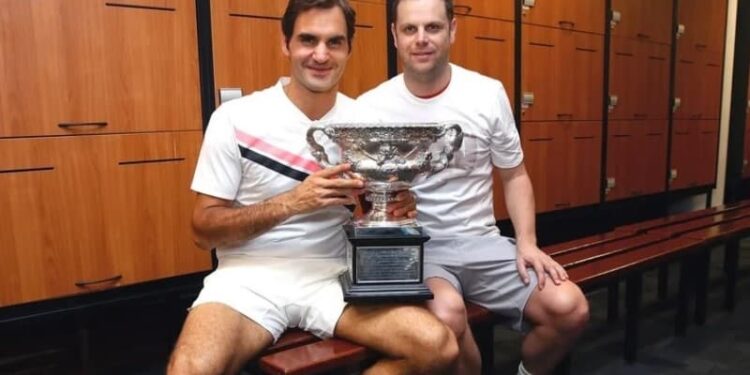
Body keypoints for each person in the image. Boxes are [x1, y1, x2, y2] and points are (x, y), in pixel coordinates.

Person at [167, 1, 459, 374]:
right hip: (246, 279)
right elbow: (202, 231)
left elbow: (371, 209)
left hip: (333, 277)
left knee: (437, 347)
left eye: (334, 42)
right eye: (308, 40)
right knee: (189, 369)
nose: (321, 55)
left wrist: (394, 208)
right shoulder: (235, 119)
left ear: (348, 49)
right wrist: (291, 203)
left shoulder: (367, 125)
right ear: (286, 44)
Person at [357, 0, 590, 374]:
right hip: (422, 249)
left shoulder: (486, 94)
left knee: (570, 308)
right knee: (447, 315)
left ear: (452, 30)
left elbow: (515, 175)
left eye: (432, 28)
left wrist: (527, 242)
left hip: (484, 242)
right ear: (394, 37)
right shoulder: (371, 108)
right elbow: (367, 200)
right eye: (410, 29)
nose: (421, 39)